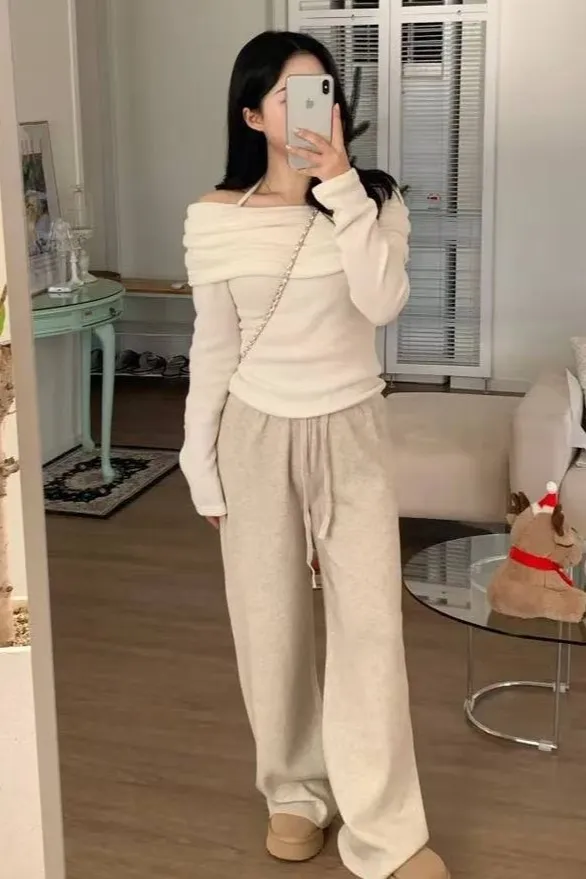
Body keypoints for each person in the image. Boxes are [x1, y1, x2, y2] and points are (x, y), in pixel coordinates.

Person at [180, 30, 449, 879]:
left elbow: (383, 302)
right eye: (291, 95)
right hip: (253, 432)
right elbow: (212, 348)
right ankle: (294, 791)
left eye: (324, 90)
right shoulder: (214, 218)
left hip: (352, 428)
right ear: (253, 115)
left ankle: (385, 830)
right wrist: (198, 460)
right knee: (269, 625)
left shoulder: (373, 201)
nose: (313, 108)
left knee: (370, 630)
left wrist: (339, 185)